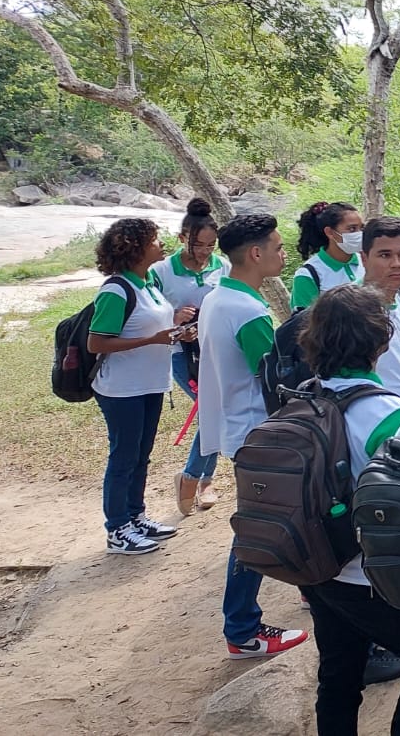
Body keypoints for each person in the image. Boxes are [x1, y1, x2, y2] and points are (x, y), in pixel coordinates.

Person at [294, 285, 400, 736]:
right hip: (369, 576)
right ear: (381, 341)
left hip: (316, 565)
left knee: (338, 675)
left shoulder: (302, 397)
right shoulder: (389, 414)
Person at [199, 214, 309, 656]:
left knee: (283, 517)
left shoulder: (218, 296)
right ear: (256, 253)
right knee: (259, 529)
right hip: (257, 434)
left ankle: (310, 584)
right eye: (278, 248)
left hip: (239, 428)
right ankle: (242, 629)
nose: (284, 255)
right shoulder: (246, 311)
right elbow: (274, 377)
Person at [89, 217, 180, 555]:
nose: (161, 244)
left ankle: (135, 517)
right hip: (122, 389)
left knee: (141, 455)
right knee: (124, 457)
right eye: (154, 239)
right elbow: (97, 342)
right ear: (136, 247)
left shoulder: (148, 282)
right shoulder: (116, 290)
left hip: (150, 383)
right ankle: (117, 529)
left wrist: (177, 329)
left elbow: (154, 324)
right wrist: (152, 340)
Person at [149, 197, 226, 516]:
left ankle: (204, 480)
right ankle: (192, 477)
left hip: (217, 351)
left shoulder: (222, 266)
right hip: (181, 354)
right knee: (213, 411)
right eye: (198, 245)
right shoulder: (160, 271)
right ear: (182, 238)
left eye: (211, 245)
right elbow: (145, 314)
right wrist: (175, 320)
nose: (205, 252)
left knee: (217, 411)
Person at [358, 217, 400, 407]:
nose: (397, 264)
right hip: (375, 415)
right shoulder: (353, 308)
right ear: (364, 258)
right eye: (385, 255)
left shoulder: (399, 298)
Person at [291, 202, 364, 310]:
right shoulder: (308, 275)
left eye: (361, 228)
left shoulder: (366, 262)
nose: (359, 234)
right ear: (330, 232)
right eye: (352, 229)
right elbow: (304, 319)